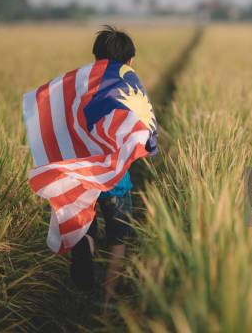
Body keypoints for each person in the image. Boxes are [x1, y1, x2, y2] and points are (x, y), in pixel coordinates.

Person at [69, 26, 155, 308]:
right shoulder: (129, 85)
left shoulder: (78, 84)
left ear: (95, 57)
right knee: (119, 236)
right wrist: (149, 147)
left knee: (87, 228)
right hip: (115, 179)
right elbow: (144, 121)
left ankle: (85, 275)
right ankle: (107, 301)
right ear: (129, 61)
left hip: (80, 177)